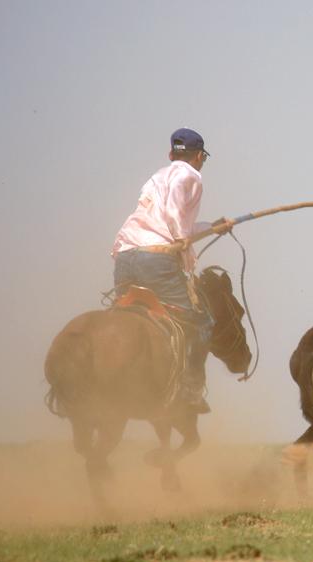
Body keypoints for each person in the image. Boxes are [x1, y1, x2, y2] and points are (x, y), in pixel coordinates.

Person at [111, 127, 233, 413]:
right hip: (157, 261)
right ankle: (191, 390)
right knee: (200, 323)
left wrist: (214, 228)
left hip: (126, 256)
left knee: (123, 313)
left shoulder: (155, 178)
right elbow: (176, 220)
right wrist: (180, 237)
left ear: (171, 154)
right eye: (204, 157)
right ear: (199, 156)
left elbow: (175, 225)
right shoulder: (189, 175)